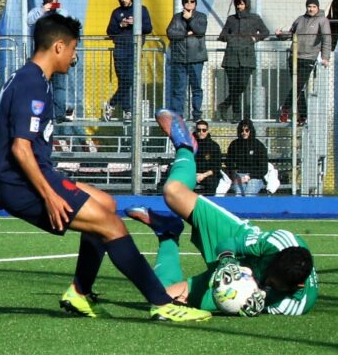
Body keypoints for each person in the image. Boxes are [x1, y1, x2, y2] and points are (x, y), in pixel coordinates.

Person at [0, 13, 210, 322]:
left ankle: (79, 293)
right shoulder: (31, 83)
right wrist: (51, 197)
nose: (73, 56)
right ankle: (162, 304)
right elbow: (20, 148)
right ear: (58, 47)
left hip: (33, 177)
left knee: (107, 204)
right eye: (72, 49)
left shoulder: (31, 78)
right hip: (23, 184)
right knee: (112, 225)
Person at [125, 108, 317, 316]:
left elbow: (249, 302)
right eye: (269, 275)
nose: (267, 280)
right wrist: (227, 263)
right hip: (237, 243)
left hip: (242, 286)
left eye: (272, 284)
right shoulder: (280, 242)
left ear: (297, 286)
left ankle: (168, 234)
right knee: (172, 192)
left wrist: (236, 290)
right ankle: (186, 148)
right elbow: (230, 244)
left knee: (161, 299)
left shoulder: (290, 306)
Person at [276, 0, 332, 125]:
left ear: (317, 7)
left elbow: (327, 39)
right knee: (298, 88)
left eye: (313, 6)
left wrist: (325, 57)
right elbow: (291, 34)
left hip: (309, 58)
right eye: (309, 6)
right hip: (294, 57)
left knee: (298, 85)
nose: (311, 9)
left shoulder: (322, 21)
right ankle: (303, 116)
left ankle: (285, 109)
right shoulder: (300, 19)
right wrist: (280, 34)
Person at [27, 0, 75, 123]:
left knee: (59, 87)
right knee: (40, 86)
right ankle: (40, 113)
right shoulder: (39, 12)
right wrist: (43, 9)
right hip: (42, 57)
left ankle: (59, 115)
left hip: (59, 56)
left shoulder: (63, 13)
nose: (51, 2)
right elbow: (29, 21)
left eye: (53, 0)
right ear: (44, 0)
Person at [217, 0, 269, 123]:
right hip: (231, 57)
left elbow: (265, 32)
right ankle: (236, 113)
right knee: (233, 86)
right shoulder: (231, 19)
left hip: (247, 57)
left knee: (242, 85)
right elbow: (223, 35)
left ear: (247, 4)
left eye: (242, 3)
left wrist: (254, 38)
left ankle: (224, 105)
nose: (240, 6)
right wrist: (231, 38)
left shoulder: (255, 18)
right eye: (238, 4)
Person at [104, 0, 152, 121]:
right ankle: (127, 110)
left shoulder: (141, 10)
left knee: (129, 79)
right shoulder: (116, 12)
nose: (124, 0)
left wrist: (136, 23)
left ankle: (112, 103)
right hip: (120, 50)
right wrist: (121, 25)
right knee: (123, 81)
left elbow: (148, 28)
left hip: (134, 49)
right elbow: (110, 31)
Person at [166, 0, 208, 121]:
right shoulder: (176, 17)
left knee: (196, 87)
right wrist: (186, 33)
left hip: (196, 58)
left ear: (195, 3)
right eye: (186, 1)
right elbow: (170, 33)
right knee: (179, 88)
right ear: (183, 3)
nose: (189, 3)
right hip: (180, 58)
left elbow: (200, 31)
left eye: (192, 1)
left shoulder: (201, 16)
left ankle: (196, 114)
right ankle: (178, 114)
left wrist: (190, 19)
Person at [226, 119, 268, 196]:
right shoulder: (234, 144)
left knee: (248, 194)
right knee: (238, 194)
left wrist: (249, 176)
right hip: (239, 175)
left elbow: (263, 168)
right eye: (242, 130)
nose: (244, 132)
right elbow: (229, 163)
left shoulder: (258, 145)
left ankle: (249, 208)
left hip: (255, 176)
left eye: (247, 130)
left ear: (250, 130)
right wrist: (235, 176)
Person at [193, 120, 223, 196]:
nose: (201, 132)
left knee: (211, 183)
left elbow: (217, 167)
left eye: (204, 130)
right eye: (199, 130)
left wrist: (203, 175)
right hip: (193, 174)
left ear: (207, 131)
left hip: (208, 175)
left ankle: (208, 204)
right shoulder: (191, 145)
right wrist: (194, 174)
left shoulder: (214, 146)